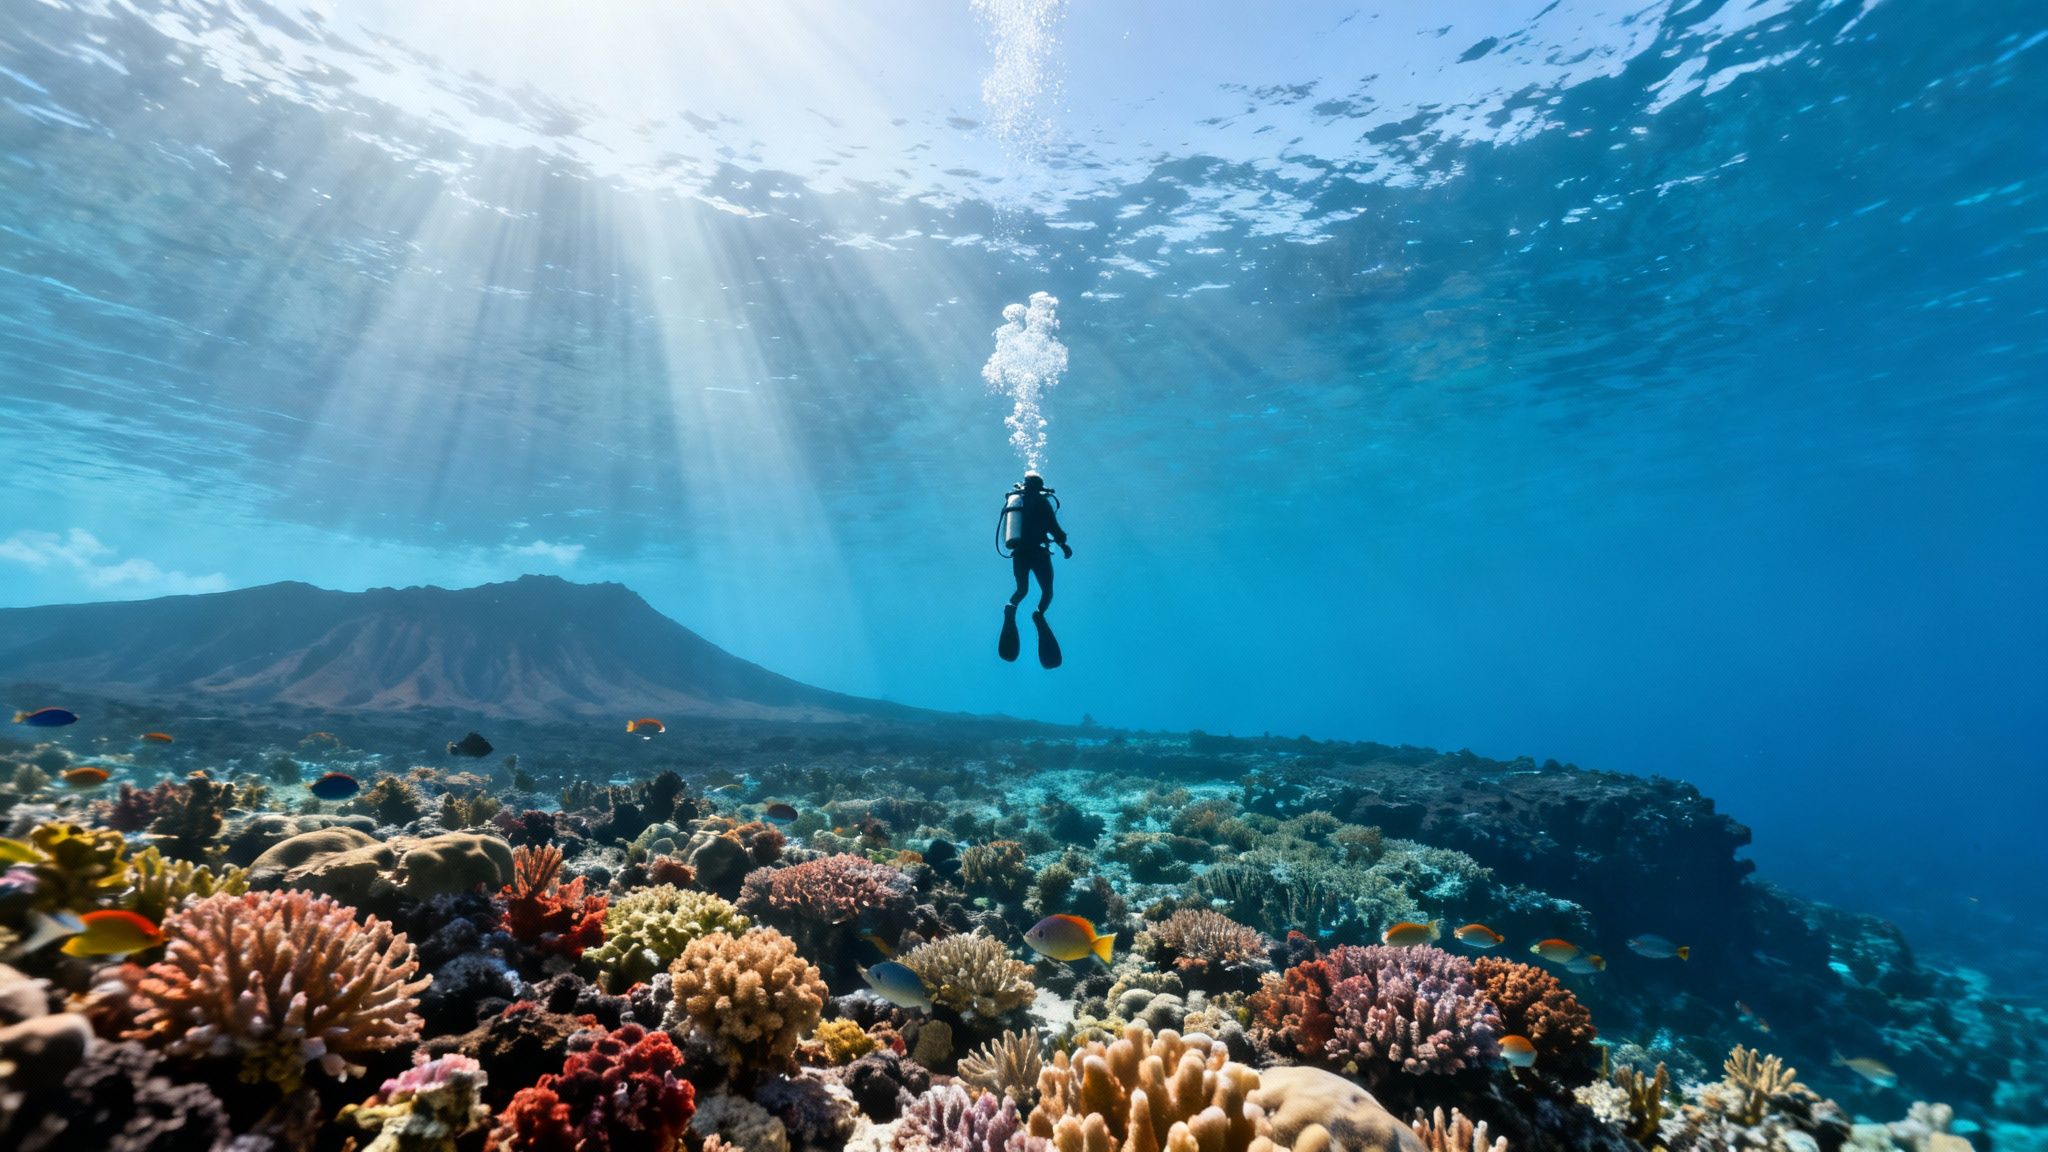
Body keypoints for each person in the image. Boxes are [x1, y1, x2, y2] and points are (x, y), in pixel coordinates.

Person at [998, 470, 1070, 668]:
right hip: (1039, 553)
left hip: (1019, 553)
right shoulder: (1042, 502)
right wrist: (1064, 545)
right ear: (1040, 486)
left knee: (1022, 589)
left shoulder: (1016, 501)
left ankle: (1010, 608)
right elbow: (1054, 529)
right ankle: (1039, 614)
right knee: (1047, 591)